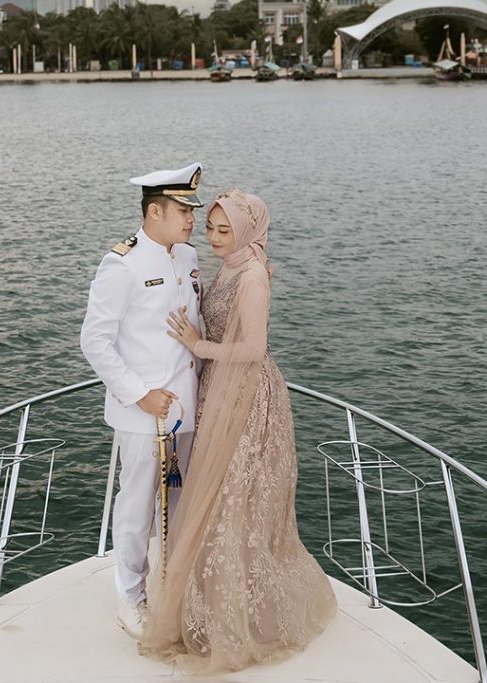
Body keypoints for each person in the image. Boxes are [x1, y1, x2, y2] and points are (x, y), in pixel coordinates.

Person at [139, 189, 337, 674]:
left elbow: (253, 349)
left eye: (224, 231)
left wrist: (197, 345)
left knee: (234, 500)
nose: (212, 237)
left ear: (247, 231)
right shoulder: (231, 266)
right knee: (215, 498)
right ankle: (209, 603)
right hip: (220, 391)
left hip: (247, 398)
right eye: (209, 227)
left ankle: (237, 616)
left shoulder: (251, 278)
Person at [80, 162, 205, 639]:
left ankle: (174, 588)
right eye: (183, 210)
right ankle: (130, 599)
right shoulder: (122, 264)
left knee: (180, 502)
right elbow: (95, 341)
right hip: (143, 414)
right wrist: (139, 394)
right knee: (135, 508)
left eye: (192, 211)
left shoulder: (188, 256)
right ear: (155, 212)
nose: (191, 219)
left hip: (185, 406)